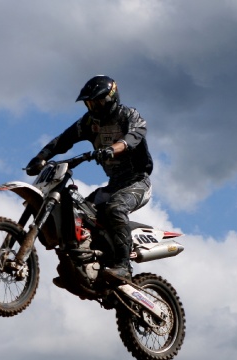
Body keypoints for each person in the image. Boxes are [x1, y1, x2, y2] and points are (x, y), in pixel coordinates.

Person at [25, 75, 153, 283]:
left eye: (98, 102)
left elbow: (133, 138)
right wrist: (41, 157)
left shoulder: (129, 115)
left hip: (137, 182)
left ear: (111, 99)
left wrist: (113, 149)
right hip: (113, 186)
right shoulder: (88, 122)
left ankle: (123, 266)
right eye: (90, 104)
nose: (94, 108)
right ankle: (83, 267)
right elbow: (63, 140)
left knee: (115, 209)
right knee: (79, 216)